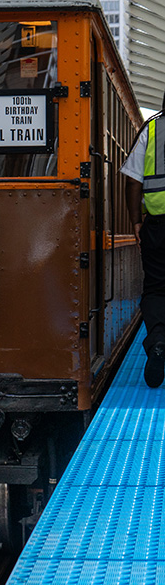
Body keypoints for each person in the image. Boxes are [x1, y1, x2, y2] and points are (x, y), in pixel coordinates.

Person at [122, 97, 165, 387]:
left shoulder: (152, 130)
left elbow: (132, 182)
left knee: (156, 289)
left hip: (158, 226)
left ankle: (159, 341)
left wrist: (136, 221)